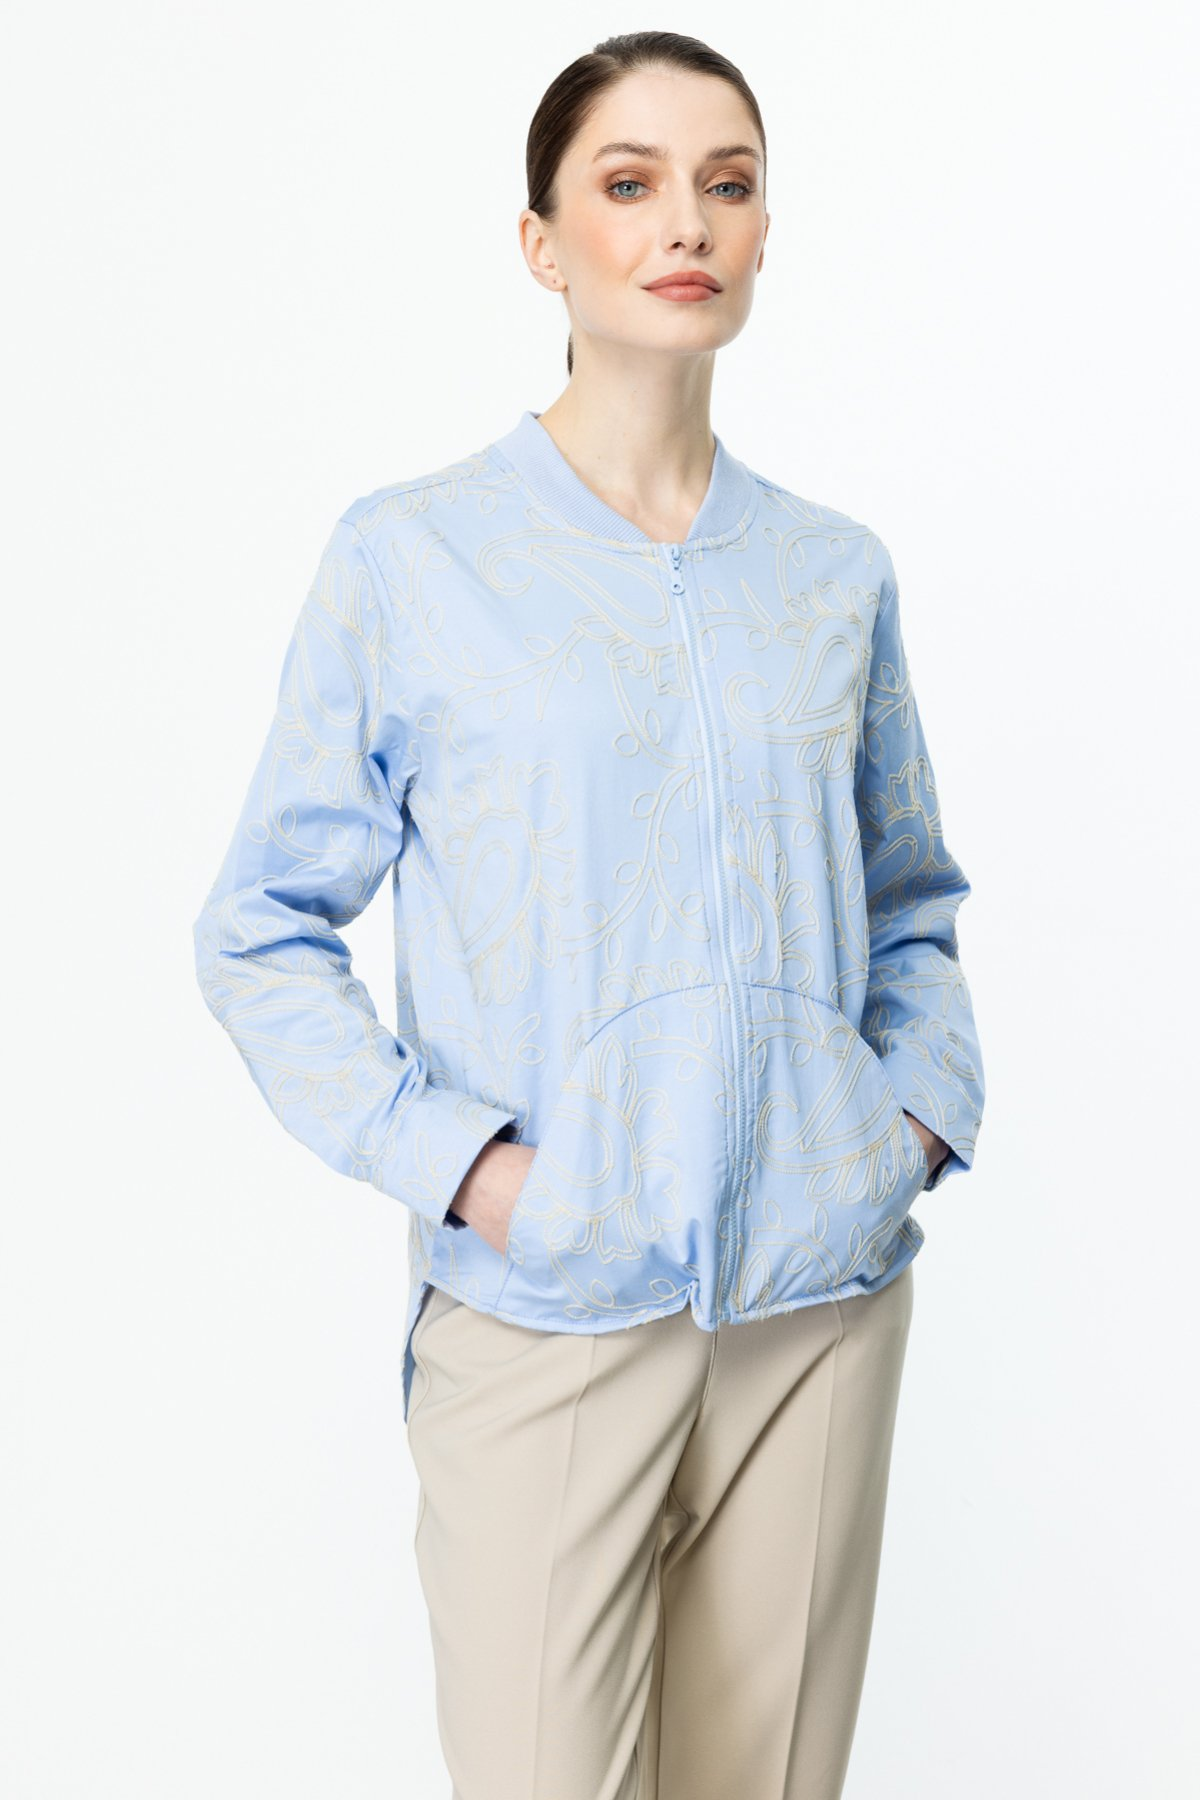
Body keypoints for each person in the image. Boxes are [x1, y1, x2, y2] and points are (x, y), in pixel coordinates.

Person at [192, 28, 985, 1800]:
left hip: (817, 1310)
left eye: (727, 183)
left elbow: (912, 901)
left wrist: (902, 1132)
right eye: (630, 184)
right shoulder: (411, 559)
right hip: (546, 1314)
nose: (684, 222)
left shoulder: (832, 573)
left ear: (765, 231)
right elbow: (261, 927)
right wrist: (474, 1171)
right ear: (543, 244)